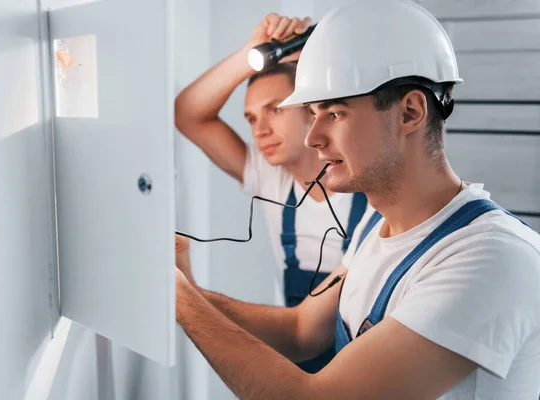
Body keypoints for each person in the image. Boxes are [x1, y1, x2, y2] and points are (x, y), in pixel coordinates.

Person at [174, 0, 540, 398]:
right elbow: (301, 333)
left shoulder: (491, 259)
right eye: (312, 113)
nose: (313, 138)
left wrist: (179, 300)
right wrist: (187, 291)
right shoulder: (375, 227)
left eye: (334, 113)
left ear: (410, 112)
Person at [174, 13, 368, 372]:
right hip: (299, 352)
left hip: (368, 359)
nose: (259, 130)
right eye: (250, 119)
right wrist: (251, 51)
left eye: (274, 110)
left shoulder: (373, 184)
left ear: (314, 110)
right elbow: (188, 112)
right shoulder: (268, 176)